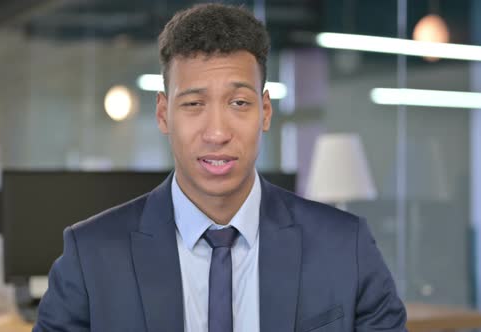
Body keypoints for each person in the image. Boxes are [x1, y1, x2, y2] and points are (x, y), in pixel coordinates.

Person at [34, 3, 407, 332]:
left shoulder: (345, 247)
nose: (216, 132)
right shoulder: (92, 254)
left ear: (265, 111)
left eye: (239, 103)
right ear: (163, 114)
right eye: (194, 104)